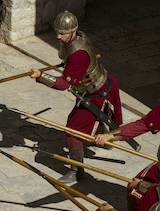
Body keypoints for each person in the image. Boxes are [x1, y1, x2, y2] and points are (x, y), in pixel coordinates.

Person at [30, 11, 123, 183]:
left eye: (62, 33)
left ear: (74, 31)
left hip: (96, 94)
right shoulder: (81, 37)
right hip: (96, 86)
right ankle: (102, 135)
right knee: (87, 123)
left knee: (72, 131)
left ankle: (76, 171)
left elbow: (64, 84)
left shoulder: (77, 55)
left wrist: (41, 76)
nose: (58, 36)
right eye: (57, 31)